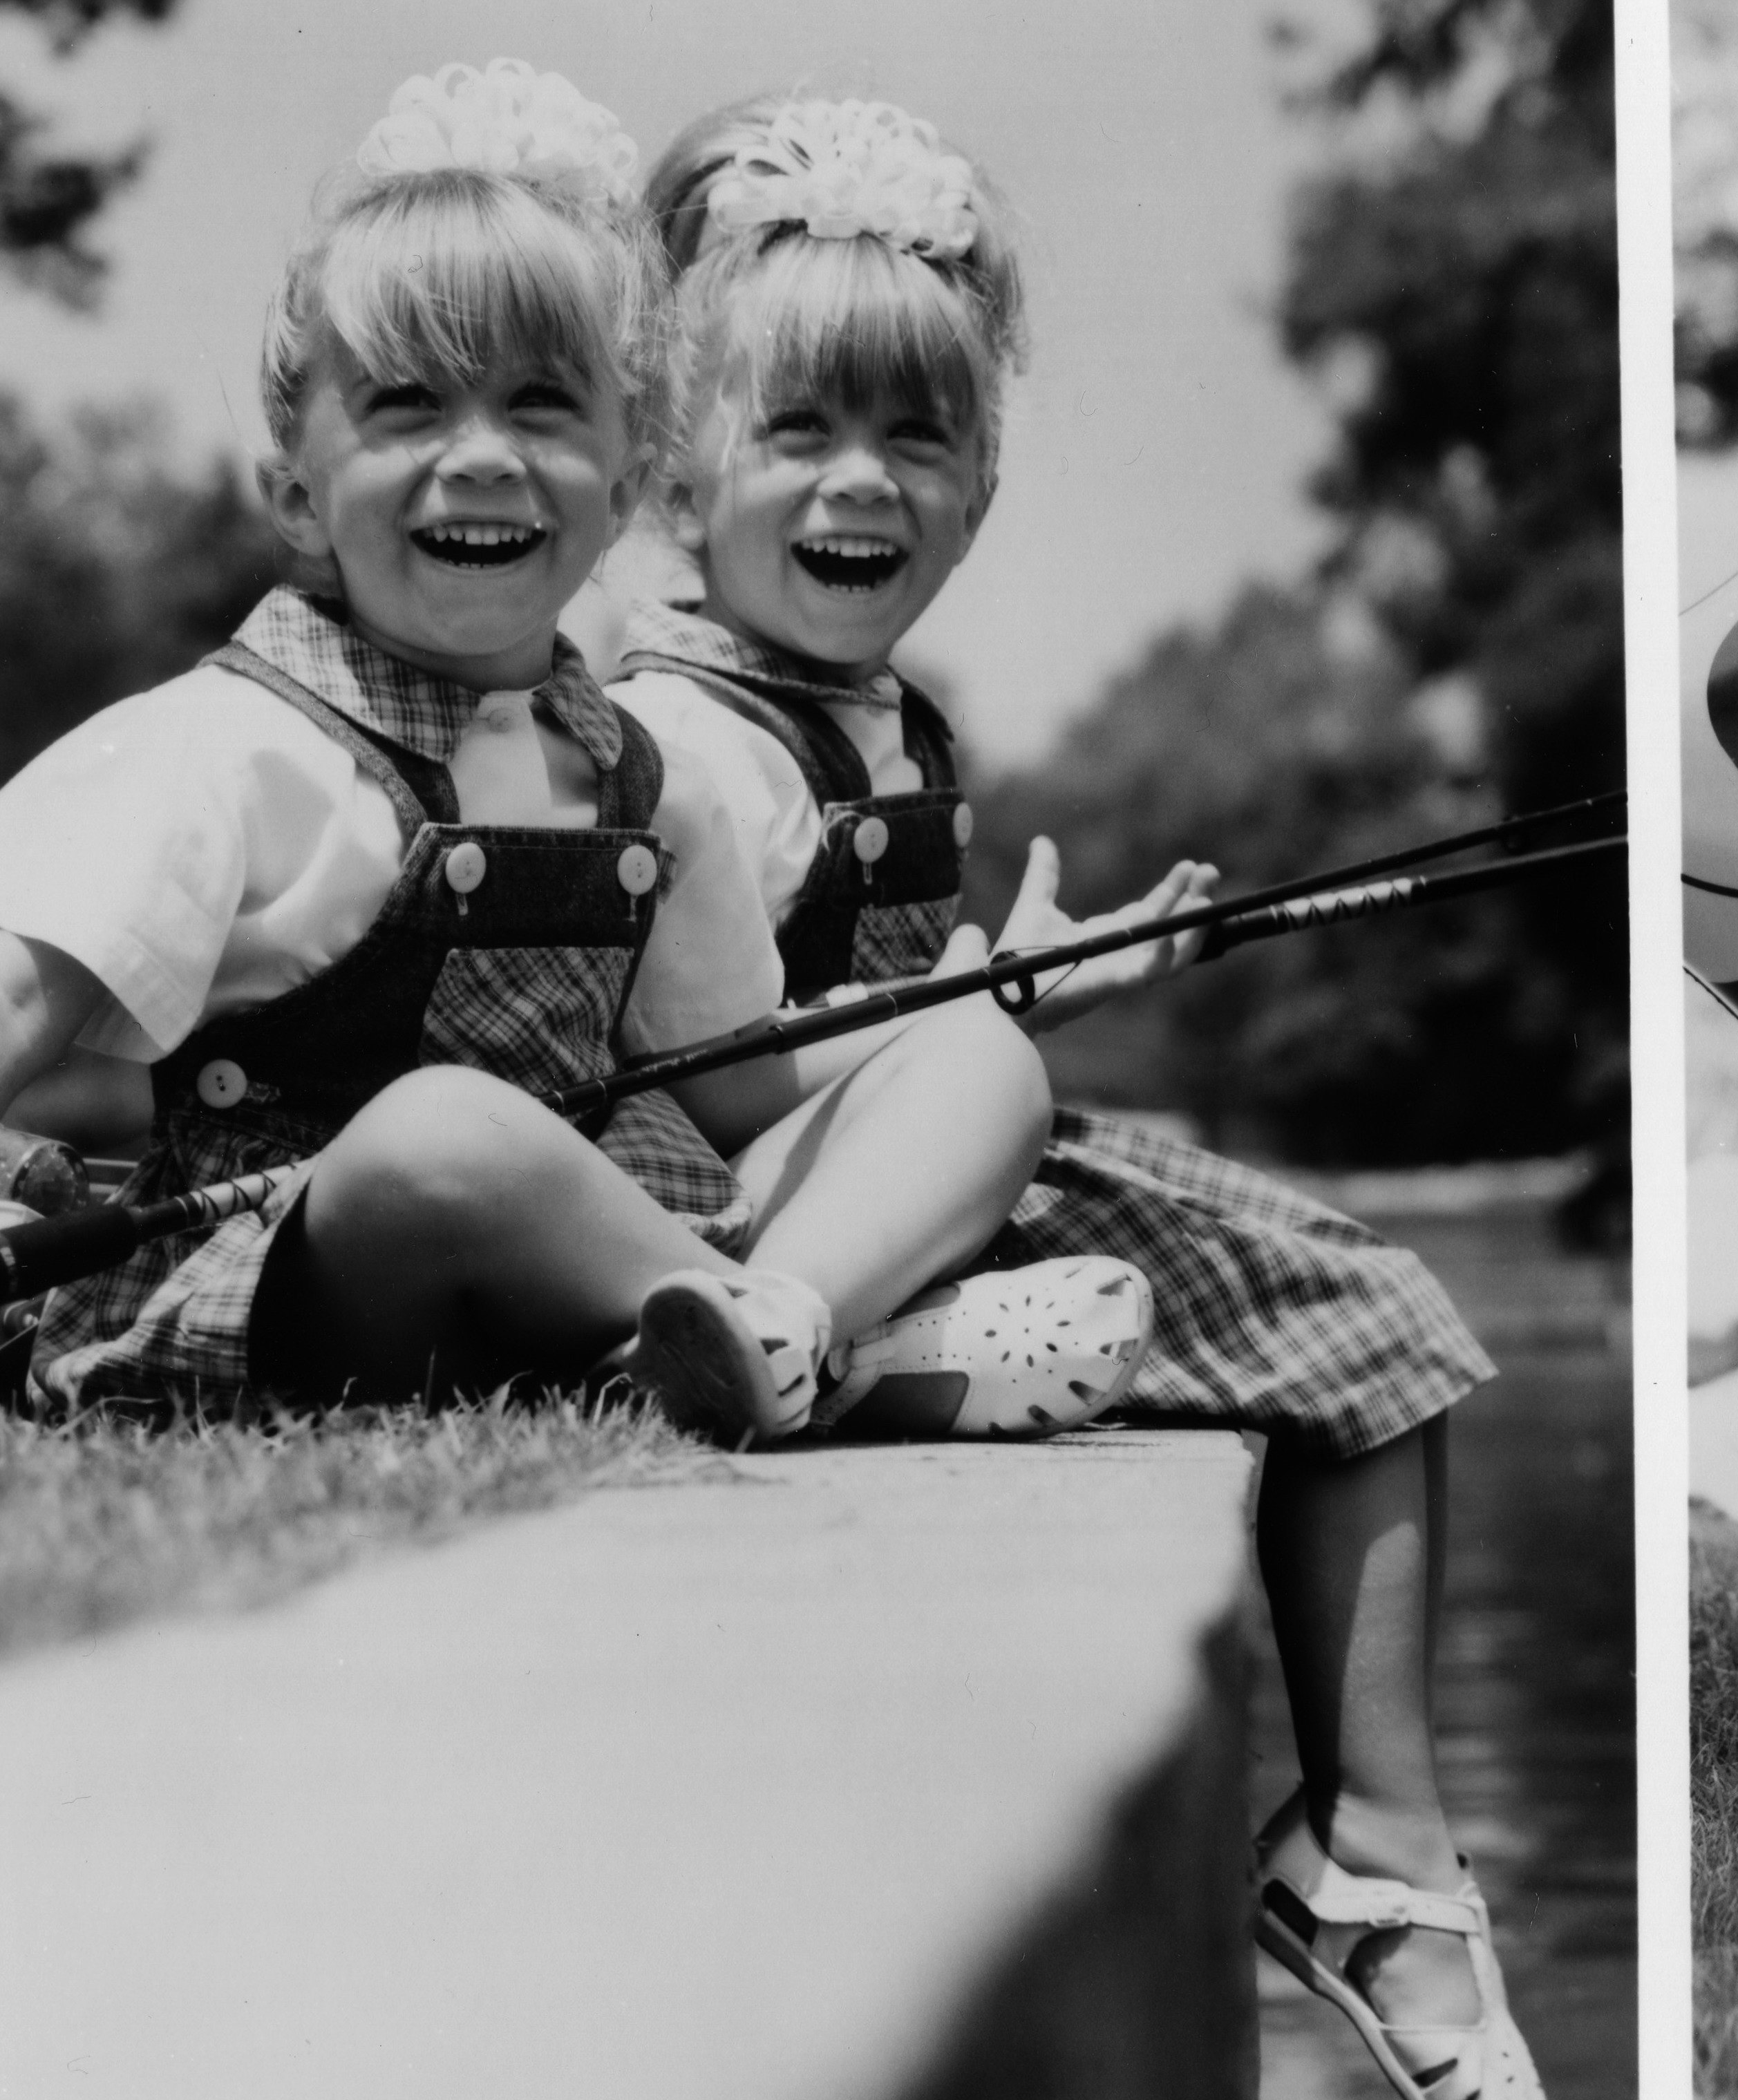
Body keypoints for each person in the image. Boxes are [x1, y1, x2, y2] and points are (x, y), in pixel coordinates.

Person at [602, 97, 1547, 2100]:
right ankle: (1380, 1856)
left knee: (1307, 1297)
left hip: (866, 1167)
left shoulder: (882, 717)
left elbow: (905, 1017)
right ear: (680, 468)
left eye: (917, 441)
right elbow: (723, 1079)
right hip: (741, 1194)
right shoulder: (683, 734)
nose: (865, 485)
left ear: (982, 480)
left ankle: (1363, 1849)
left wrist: (1035, 987)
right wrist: (995, 1031)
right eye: (802, 433)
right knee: (1365, 1313)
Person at [0, 61, 1063, 1444]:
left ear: (629, 478)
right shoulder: (223, 747)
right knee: (450, 1127)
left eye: (544, 405)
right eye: (406, 407)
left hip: (607, 1242)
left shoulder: (644, 775)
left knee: (983, 1065)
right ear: (295, 494)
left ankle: (783, 1321)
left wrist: (958, 1011)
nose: (483, 455)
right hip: (328, 1274)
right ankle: (839, 1337)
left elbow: (731, 1082)